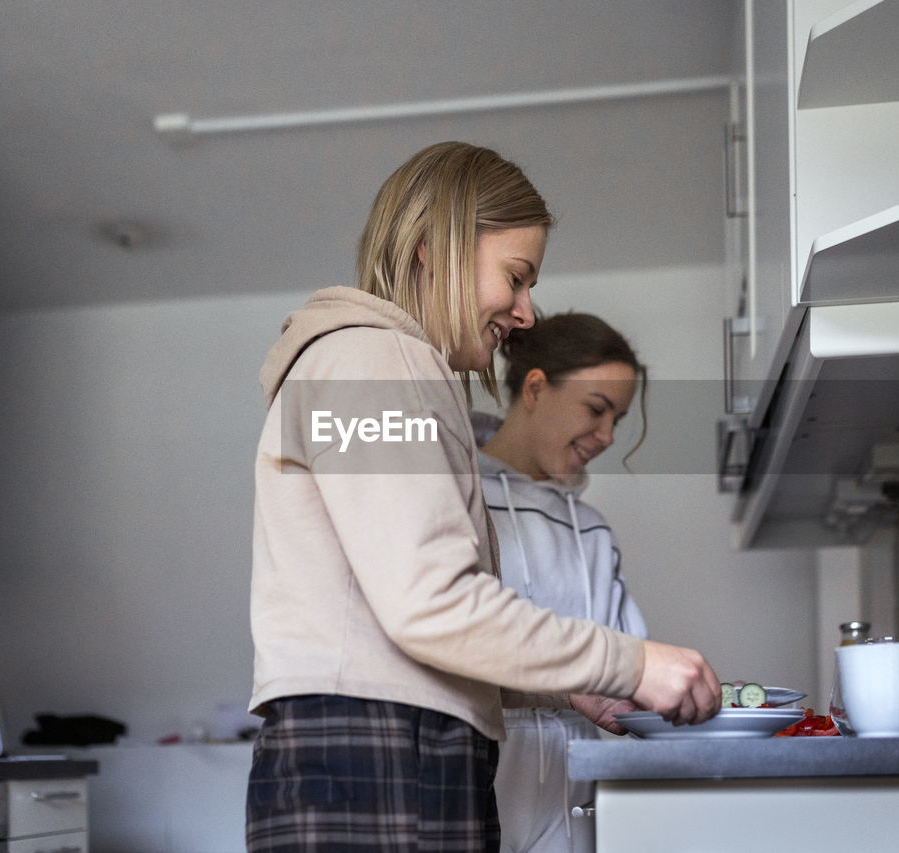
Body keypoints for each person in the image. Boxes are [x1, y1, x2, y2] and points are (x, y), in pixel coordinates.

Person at [246, 141, 720, 852]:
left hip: (377, 756)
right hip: (382, 760)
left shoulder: (372, 365)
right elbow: (431, 603)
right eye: (517, 277)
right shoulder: (377, 360)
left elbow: (396, 624)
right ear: (436, 247)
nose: (526, 314)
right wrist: (633, 663)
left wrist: (562, 690)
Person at [473, 312, 650, 853]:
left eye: (617, 419)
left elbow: (632, 679)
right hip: (473, 801)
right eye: (596, 410)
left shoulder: (592, 531)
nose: (607, 436)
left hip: (576, 818)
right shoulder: (457, 501)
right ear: (535, 388)